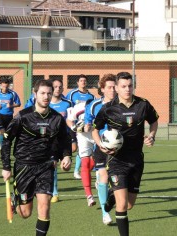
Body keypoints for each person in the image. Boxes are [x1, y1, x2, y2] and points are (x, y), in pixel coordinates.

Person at [0, 79, 72, 236]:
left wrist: (66, 156)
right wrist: (6, 167)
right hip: (24, 166)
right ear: (35, 94)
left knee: (45, 206)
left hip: (46, 166)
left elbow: (64, 140)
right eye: (43, 93)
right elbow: (6, 141)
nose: (46, 96)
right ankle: (16, 199)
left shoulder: (57, 118)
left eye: (49, 93)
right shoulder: (23, 117)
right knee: (25, 213)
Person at [92, 72, 159, 236]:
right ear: (116, 87)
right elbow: (95, 130)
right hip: (116, 160)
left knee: (129, 205)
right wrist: (101, 145)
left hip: (136, 160)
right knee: (122, 206)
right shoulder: (108, 108)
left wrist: (151, 136)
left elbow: (154, 121)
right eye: (123, 86)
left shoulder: (143, 104)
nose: (127, 89)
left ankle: (111, 196)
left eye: (130, 85)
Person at [84, 73, 117, 225]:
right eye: (109, 87)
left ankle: (105, 189)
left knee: (118, 182)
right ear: (102, 89)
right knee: (103, 176)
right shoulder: (94, 105)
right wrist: (86, 125)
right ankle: (105, 213)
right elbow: (88, 122)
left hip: (119, 148)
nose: (113, 90)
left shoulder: (121, 104)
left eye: (114, 87)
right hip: (101, 146)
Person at [66, 100, 96, 207]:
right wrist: (75, 128)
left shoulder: (99, 107)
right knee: (85, 163)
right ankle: (89, 196)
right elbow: (69, 120)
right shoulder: (78, 107)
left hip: (96, 134)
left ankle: (99, 177)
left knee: (96, 162)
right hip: (83, 136)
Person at [66, 74, 95, 179]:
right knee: (75, 148)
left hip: (87, 126)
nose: (83, 82)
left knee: (84, 149)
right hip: (75, 124)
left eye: (84, 80)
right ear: (77, 82)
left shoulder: (91, 96)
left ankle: (77, 170)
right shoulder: (72, 94)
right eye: (81, 80)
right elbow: (67, 106)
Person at [49, 78, 73, 203]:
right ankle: (54, 193)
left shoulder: (67, 103)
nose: (58, 89)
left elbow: (73, 119)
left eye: (60, 87)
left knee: (65, 167)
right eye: (55, 86)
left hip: (64, 140)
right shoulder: (45, 103)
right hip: (50, 140)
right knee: (52, 165)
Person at [0, 78, 21, 148]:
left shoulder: (13, 93)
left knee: (7, 132)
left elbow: (18, 104)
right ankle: (2, 145)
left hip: (9, 115)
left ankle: (5, 143)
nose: (5, 88)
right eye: (4, 86)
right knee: (2, 130)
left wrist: (11, 105)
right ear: (1, 85)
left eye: (7, 87)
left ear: (8, 86)